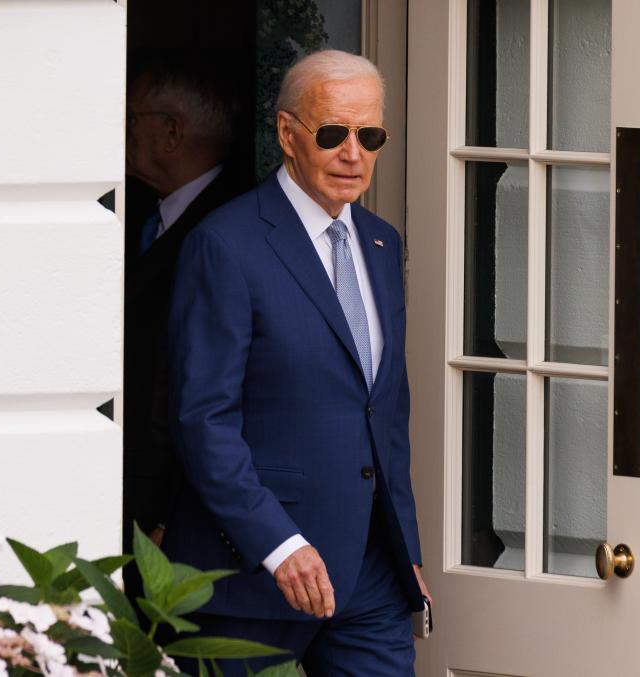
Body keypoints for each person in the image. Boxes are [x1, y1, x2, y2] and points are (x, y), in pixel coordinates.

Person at [165, 50, 431, 675]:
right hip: (254, 575)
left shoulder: (381, 241)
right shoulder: (224, 244)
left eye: (370, 137)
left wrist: (407, 550)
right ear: (287, 134)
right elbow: (202, 421)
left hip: (370, 575)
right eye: (333, 134)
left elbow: (386, 411)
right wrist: (278, 545)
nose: (353, 154)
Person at [122, 61, 243, 558]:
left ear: (171, 132)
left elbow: (216, 386)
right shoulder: (135, 211)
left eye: (131, 118)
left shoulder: (231, 227)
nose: (121, 131)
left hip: (169, 503)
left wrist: (170, 513)